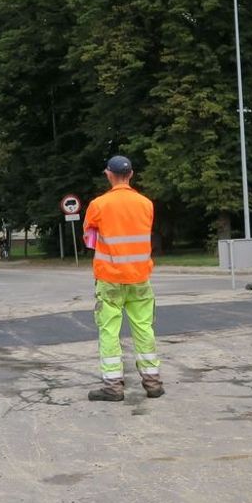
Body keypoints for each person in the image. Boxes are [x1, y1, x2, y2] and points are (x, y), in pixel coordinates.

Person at [83, 155, 163, 402]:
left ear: (108, 174)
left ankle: (113, 387)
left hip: (110, 278)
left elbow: (89, 240)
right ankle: (153, 383)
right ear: (131, 174)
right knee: (143, 328)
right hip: (140, 277)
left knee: (109, 330)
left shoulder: (98, 205)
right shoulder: (146, 204)